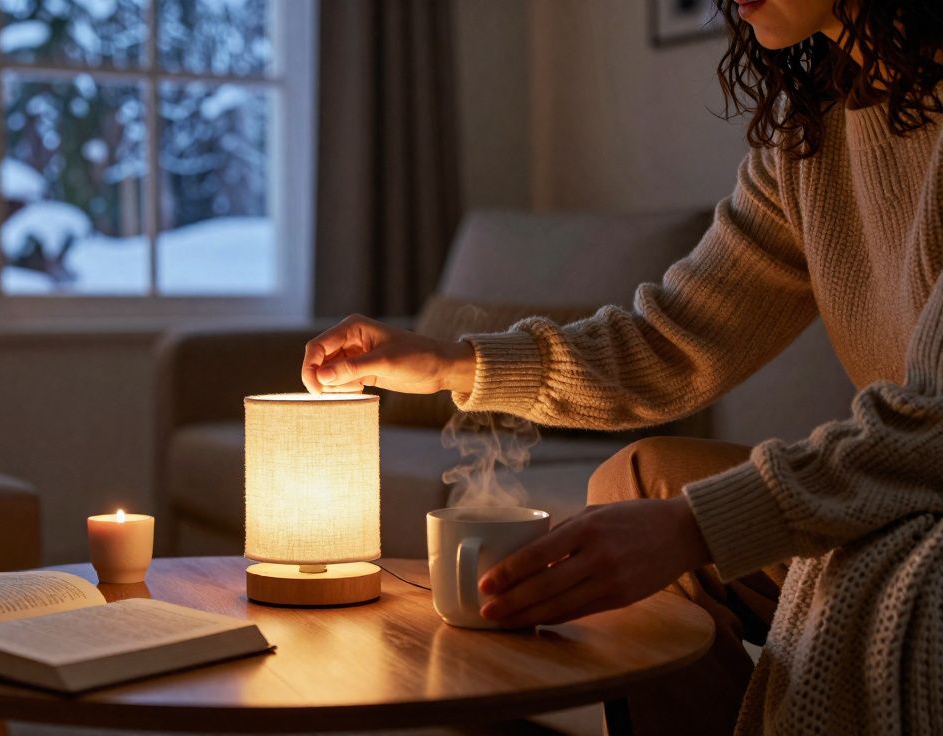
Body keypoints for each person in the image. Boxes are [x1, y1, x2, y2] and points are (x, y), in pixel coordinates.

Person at [302, 0, 943, 733]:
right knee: (630, 482)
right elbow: (668, 343)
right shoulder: (810, 140)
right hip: (906, 488)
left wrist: (694, 527)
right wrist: (454, 362)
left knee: (663, 526)